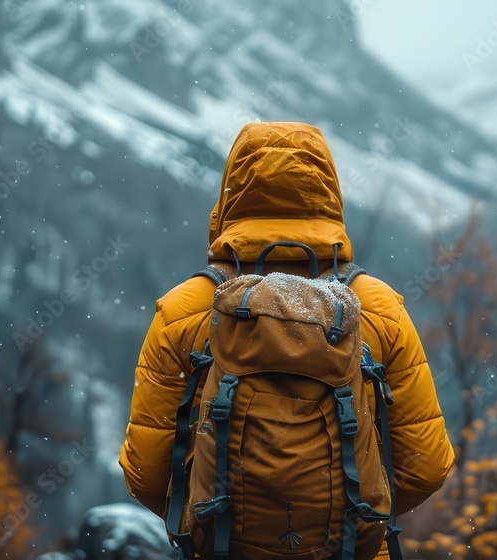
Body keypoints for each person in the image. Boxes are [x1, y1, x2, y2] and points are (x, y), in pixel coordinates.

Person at [119, 121, 454, 559]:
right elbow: (425, 467)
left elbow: (146, 473)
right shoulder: (376, 306)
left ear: (229, 198)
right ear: (330, 195)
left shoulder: (185, 308)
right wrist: (354, 514)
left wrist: (210, 515)